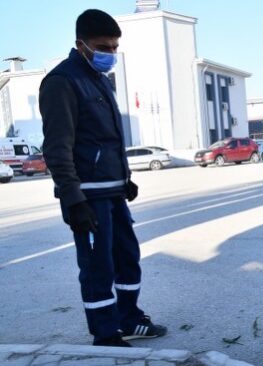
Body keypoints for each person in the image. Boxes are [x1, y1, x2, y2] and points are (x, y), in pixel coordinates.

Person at [39, 9, 166, 347]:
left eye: (113, 47)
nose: (109, 54)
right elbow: (56, 147)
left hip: (112, 193)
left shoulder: (98, 81)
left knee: (127, 258)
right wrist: (73, 199)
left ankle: (128, 317)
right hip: (87, 197)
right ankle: (106, 333)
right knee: (98, 267)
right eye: (102, 47)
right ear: (80, 44)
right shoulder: (61, 82)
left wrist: (124, 178)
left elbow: (108, 139)